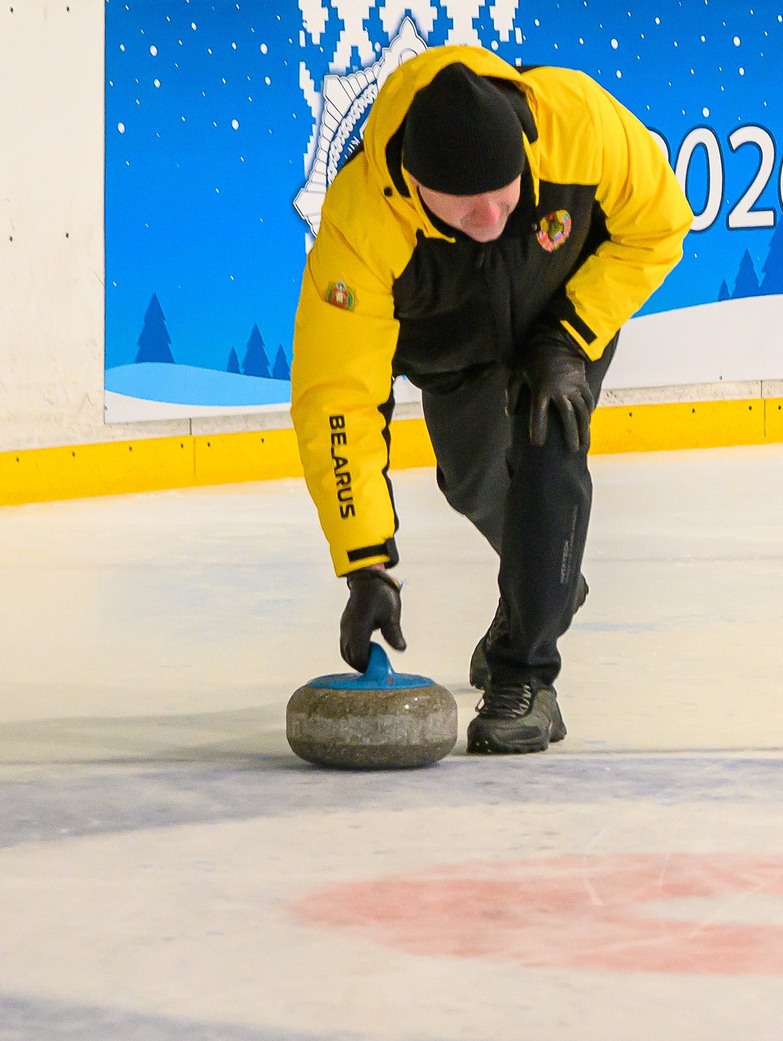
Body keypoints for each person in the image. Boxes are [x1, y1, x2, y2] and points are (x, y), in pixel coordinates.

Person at [290, 47, 689, 755]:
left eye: (506, 195)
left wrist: (571, 336)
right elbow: (338, 398)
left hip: (562, 321)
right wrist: (364, 563)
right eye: (467, 206)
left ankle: (527, 674)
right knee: (472, 480)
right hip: (453, 355)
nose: (493, 215)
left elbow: (658, 226)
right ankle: (547, 577)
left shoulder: (578, 124)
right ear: (413, 184)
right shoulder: (360, 224)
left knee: (549, 447)